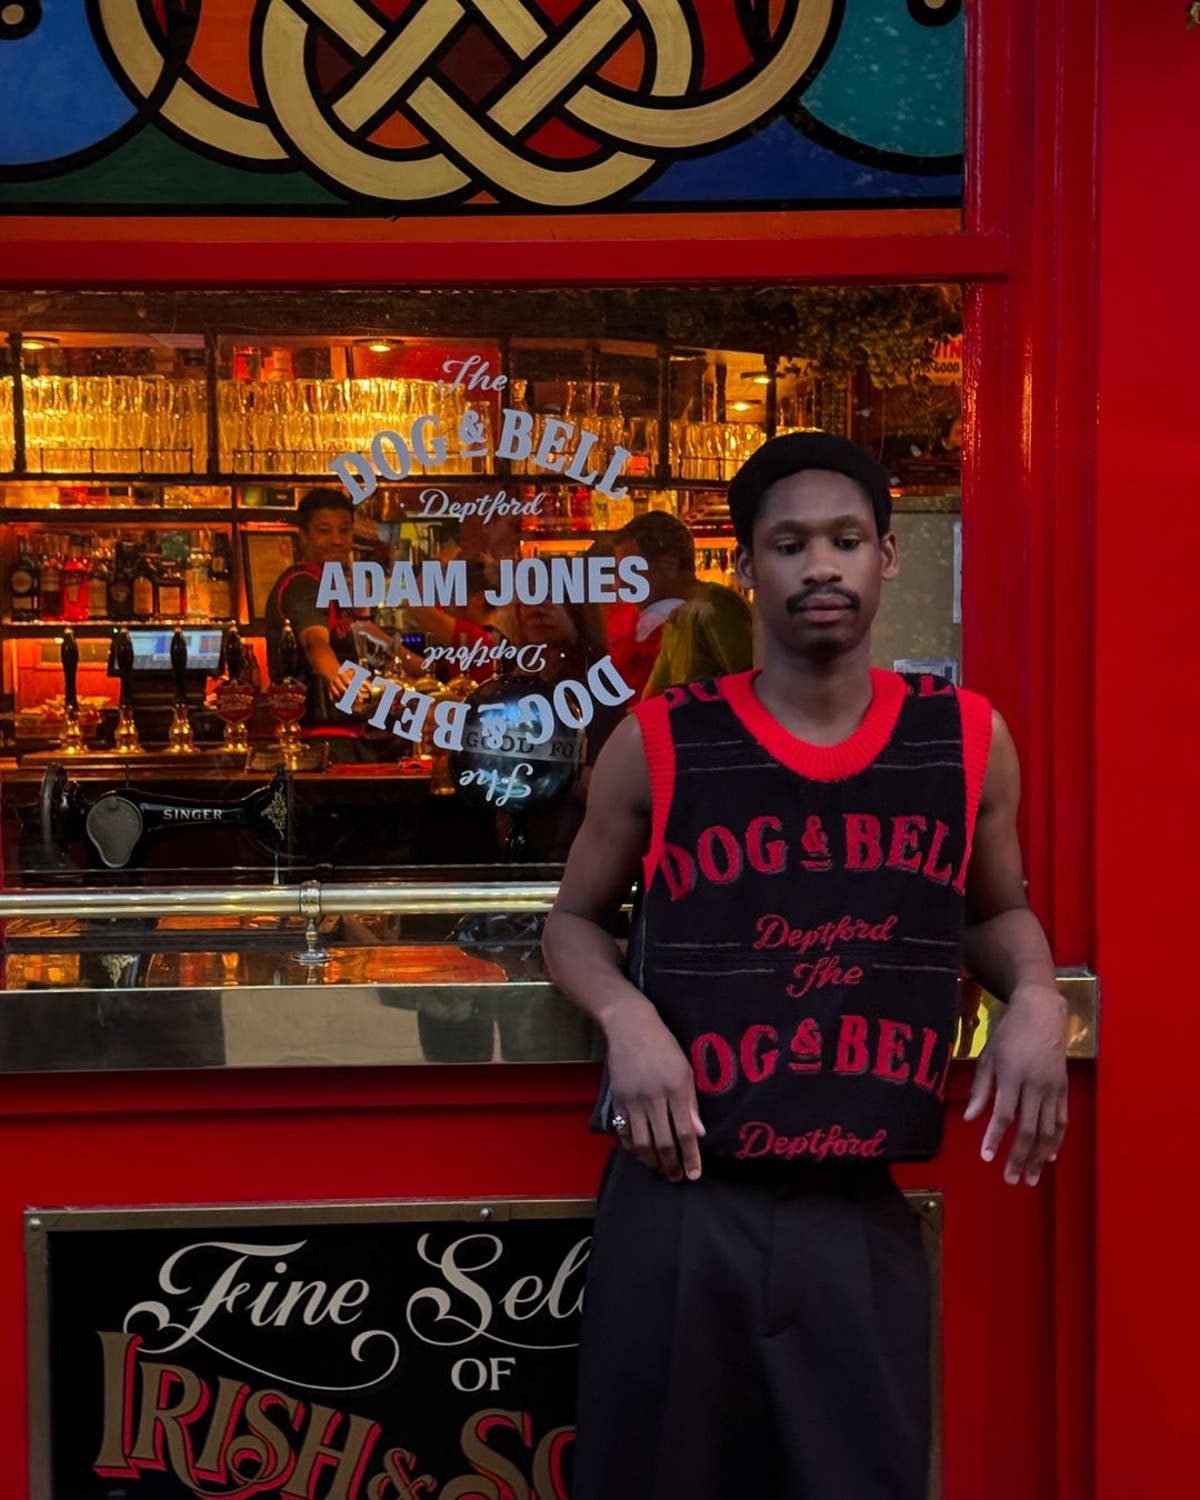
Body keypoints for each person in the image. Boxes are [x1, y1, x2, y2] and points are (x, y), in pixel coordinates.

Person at [543, 432, 1069, 1500]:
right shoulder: (661, 740)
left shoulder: (965, 740)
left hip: (858, 1204)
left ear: (889, 555)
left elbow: (995, 911)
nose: (819, 566)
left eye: (844, 540)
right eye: (788, 545)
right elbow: (573, 921)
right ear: (746, 567)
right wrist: (627, 1019)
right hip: (682, 1198)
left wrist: (1038, 995)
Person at [264, 487, 386, 763]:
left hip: (348, 736)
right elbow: (314, 642)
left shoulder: (333, 587)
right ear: (303, 535)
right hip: (319, 742)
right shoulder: (302, 582)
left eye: (344, 531)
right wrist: (338, 677)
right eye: (324, 531)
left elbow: (372, 640)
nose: (336, 540)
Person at [612, 510, 753, 697]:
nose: (620, 584)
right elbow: (650, 703)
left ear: (669, 563)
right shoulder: (676, 619)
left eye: (632, 570)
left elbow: (755, 691)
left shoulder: (713, 607)